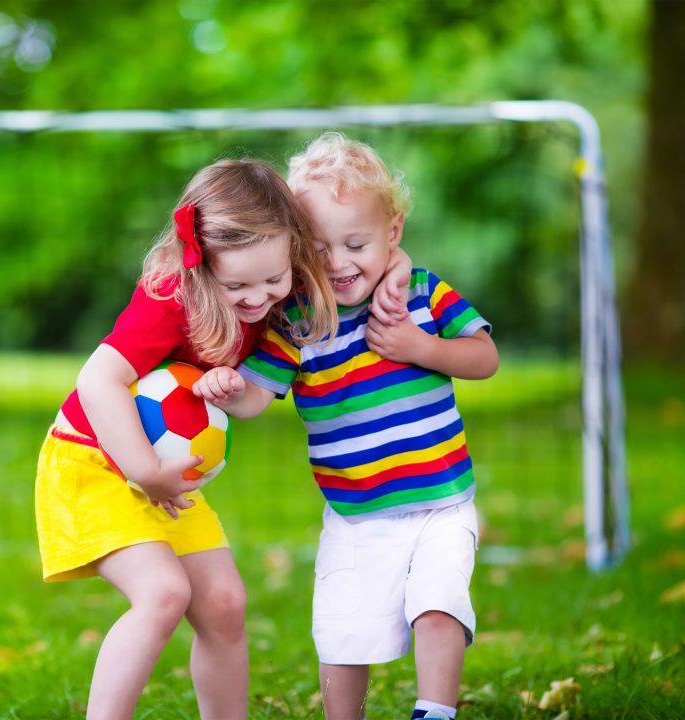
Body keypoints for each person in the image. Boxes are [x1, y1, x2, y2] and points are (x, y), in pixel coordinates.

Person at [35, 157, 365, 720]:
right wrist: (144, 470)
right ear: (200, 262)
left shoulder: (280, 293)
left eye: (273, 279)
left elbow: (367, 259)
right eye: (235, 283)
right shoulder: (171, 299)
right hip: (96, 460)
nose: (257, 297)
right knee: (164, 593)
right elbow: (97, 379)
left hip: (162, 471)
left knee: (224, 603)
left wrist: (401, 265)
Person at [193, 133, 499, 720]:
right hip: (355, 513)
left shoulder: (422, 294)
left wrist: (420, 347)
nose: (337, 262)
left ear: (394, 233)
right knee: (340, 630)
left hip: (441, 502)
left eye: (355, 243)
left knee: (438, 606)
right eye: (318, 246)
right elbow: (259, 396)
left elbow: (484, 358)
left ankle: (435, 710)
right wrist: (228, 390)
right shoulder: (299, 320)